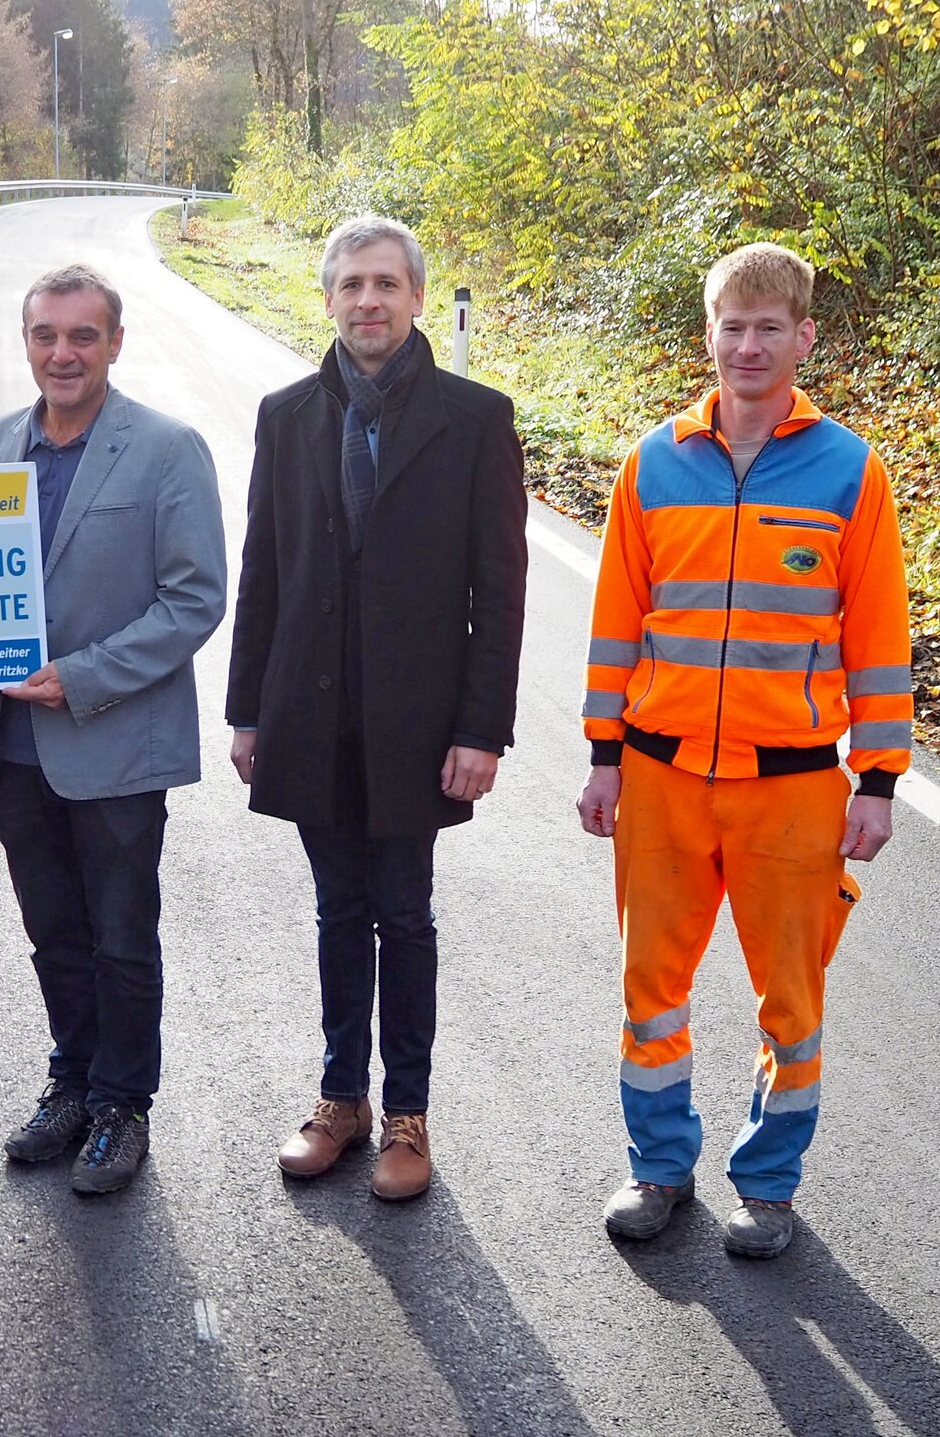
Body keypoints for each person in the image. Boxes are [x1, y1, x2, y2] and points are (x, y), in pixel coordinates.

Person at [576, 241, 912, 1259]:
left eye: (770, 327)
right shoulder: (651, 462)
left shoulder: (850, 471)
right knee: (650, 992)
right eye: (732, 325)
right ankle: (655, 1167)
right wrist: (601, 755)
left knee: (791, 1004)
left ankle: (765, 1187)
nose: (748, 344)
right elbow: (611, 624)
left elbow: (878, 641)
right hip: (660, 772)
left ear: (803, 338)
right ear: (707, 334)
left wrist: (879, 779)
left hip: (794, 787)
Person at [225, 215, 527, 1202]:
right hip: (309, 714)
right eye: (350, 284)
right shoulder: (284, 413)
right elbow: (261, 570)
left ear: (414, 297)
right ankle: (336, 1101)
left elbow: (500, 589)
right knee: (334, 909)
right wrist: (245, 712)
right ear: (326, 298)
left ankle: (406, 1116)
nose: (367, 301)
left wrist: (480, 730)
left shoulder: (474, 419)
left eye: (385, 284)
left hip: (415, 721)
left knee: (403, 913)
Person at [0, 262, 226, 1196]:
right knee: (52, 929)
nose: (63, 353)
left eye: (83, 336)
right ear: (27, 343)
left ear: (115, 344)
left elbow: (194, 599)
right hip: (9, 747)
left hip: (117, 741)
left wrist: (80, 677)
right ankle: (73, 1081)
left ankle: (124, 1104)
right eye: (46, 335)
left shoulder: (168, 450)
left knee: (122, 935)